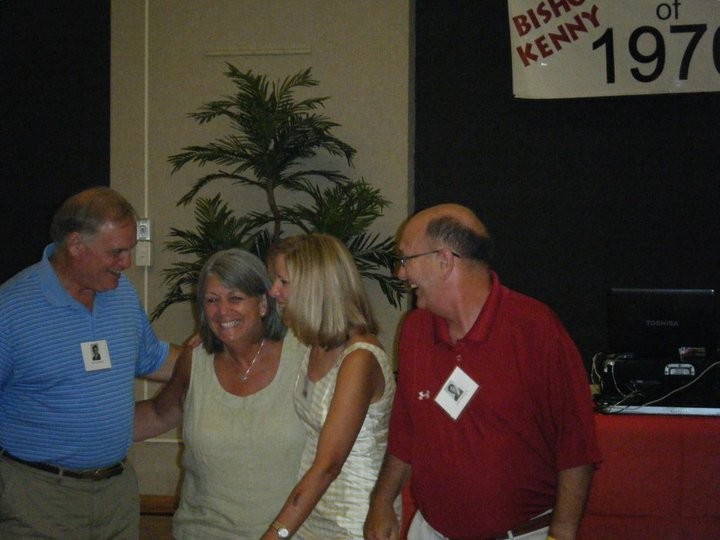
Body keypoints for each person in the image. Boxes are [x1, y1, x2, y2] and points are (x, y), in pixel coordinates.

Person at [364, 204, 601, 540]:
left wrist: (561, 533)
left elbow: (576, 446)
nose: (400, 274)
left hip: (521, 534)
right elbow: (406, 430)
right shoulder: (415, 330)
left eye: (406, 259)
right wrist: (382, 500)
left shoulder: (535, 329)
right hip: (431, 531)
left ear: (444, 261)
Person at [0, 186, 182, 539]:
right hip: (37, 499)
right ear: (76, 245)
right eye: (116, 252)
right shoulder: (11, 310)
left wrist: (221, 360)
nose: (126, 263)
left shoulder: (121, 294)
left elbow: (154, 359)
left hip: (117, 496)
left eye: (129, 250)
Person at [133, 248, 308, 539]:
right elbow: (160, 413)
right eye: (212, 300)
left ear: (263, 304)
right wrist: (78, 429)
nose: (223, 311)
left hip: (288, 534)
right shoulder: (195, 361)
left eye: (235, 298)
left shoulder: (304, 357)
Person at [262, 233, 399, 540]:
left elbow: (328, 466)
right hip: (314, 509)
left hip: (355, 520)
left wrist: (275, 535)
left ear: (314, 289)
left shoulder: (359, 359)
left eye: (283, 281)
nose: (273, 291)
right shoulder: (312, 343)